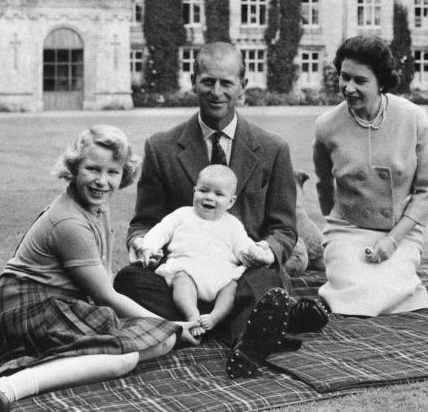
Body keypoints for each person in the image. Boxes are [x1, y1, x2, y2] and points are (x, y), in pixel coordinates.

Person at [0, 126, 198, 412]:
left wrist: (164, 330)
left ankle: (49, 362)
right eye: (92, 169)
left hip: (59, 303)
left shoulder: (97, 206)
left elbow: (105, 279)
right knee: (127, 356)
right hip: (28, 306)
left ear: (123, 174)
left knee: (159, 341)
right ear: (74, 168)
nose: (102, 181)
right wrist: (173, 325)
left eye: (112, 172)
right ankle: (5, 387)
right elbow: (106, 297)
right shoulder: (69, 223)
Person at [114, 42, 328, 378]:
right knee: (128, 280)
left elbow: (285, 230)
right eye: (208, 81)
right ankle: (252, 327)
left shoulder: (273, 149)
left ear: (243, 87)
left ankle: (209, 326)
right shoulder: (162, 147)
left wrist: (266, 251)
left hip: (242, 278)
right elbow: (145, 222)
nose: (217, 92)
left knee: (268, 277)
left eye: (226, 83)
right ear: (193, 80)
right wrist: (141, 244)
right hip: (183, 281)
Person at [313, 35, 428, 316]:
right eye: (344, 77)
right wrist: (339, 228)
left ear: (381, 82)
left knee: (391, 290)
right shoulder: (326, 126)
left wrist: (393, 239)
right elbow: (324, 185)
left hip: (400, 231)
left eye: (360, 80)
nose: (349, 88)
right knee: (352, 286)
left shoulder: (414, 119)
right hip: (347, 229)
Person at [137, 165, 271, 338]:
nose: (209, 197)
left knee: (232, 288)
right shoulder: (182, 215)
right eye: (204, 190)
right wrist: (149, 247)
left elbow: (244, 247)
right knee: (181, 281)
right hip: (188, 269)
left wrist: (259, 253)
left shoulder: (233, 225)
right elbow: (161, 230)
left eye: (219, 194)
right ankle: (192, 315)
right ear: (194, 191)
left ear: (231, 201)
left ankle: (215, 318)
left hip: (221, 275)